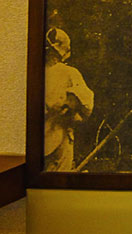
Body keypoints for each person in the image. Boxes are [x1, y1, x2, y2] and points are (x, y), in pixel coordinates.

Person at [44, 28, 94, 172]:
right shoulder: (69, 73)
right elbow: (87, 105)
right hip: (58, 138)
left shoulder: (39, 72)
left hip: (46, 136)